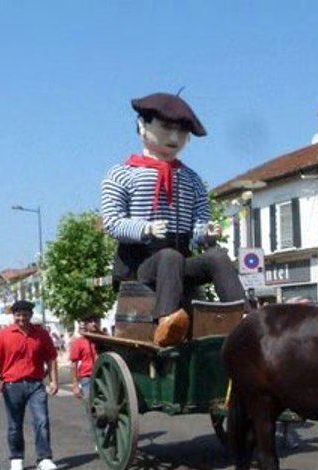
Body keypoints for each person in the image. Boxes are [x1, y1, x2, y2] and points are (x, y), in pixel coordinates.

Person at [100, 92, 245, 346]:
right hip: (140, 266)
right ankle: (167, 320)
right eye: (166, 128)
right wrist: (144, 229)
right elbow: (112, 222)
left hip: (179, 263)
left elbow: (199, 221)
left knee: (217, 257)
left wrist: (205, 232)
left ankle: (242, 315)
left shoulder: (191, 179)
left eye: (182, 132)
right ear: (142, 126)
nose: (174, 138)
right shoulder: (122, 174)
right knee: (170, 257)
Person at [0, 300, 60, 470]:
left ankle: (44, 459)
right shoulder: (3, 334)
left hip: (36, 384)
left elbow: (51, 357)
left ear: (31, 315)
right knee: (15, 424)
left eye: (25, 315)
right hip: (12, 385)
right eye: (18, 315)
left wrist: (54, 381)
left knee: (42, 421)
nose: (21, 318)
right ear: (13, 315)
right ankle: (16, 457)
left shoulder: (41, 334)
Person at [69, 313, 100, 400]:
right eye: (90, 321)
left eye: (96, 321)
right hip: (87, 377)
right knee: (90, 403)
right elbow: (74, 364)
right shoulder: (79, 342)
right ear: (85, 324)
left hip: (103, 376)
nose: (94, 324)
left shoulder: (105, 340)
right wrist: (75, 384)